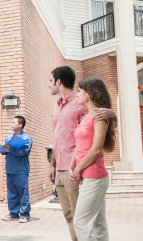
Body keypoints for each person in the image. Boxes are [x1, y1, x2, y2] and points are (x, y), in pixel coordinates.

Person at [48, 66, 116, 241]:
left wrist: (112, 113)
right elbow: (57, 137)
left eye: (50, 81)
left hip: (82, 170)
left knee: (83, 221)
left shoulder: (81, 106)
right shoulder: (56, 108)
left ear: (58, 81)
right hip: (63, 167)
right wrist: (52, 164)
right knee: (71, 218)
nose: (49, 85)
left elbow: (99, 118)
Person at [70, 77, 115, 241]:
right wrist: (72, 165)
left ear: (89, 94)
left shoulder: (100, 117)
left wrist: (78, 168)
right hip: (86, 175)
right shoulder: (85, 117)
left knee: (81, 222)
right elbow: (79, 145)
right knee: (98, 223)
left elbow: (96, 150)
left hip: (94, 176)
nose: (77, 95)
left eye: (80, 91)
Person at [0, 116, 33, 223]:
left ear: (20, 125)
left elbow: (22, 152)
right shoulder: (8, 138)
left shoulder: (27, 139)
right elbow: (3, 152)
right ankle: (13, 213)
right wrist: (3, 149)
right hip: (10, 169)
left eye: (13, 122)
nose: (11, 124)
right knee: (11, 193)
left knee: (23, 193)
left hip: (21, 170)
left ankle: (24, 214)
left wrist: (11, 149)